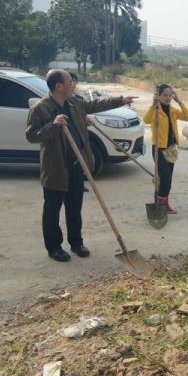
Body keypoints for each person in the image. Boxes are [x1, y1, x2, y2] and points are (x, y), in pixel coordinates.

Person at [26, 69, 137, 262]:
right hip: (55, 168)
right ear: (59, 86)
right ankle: (54, 247)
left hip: (77, 164)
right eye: (70, 81)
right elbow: (31, 136)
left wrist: (121, 100)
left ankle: (76, 243)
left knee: (74, 206)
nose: (73, 84)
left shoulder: (74, 103)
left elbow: (95, 105)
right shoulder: (40, 109)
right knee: (52, 209)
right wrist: (53, 125)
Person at [143, 84, 188, 214]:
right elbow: (146, 120)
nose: (168, 98)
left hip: (171, 149)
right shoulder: (155, 110)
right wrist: (153, 105)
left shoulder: (173, 110)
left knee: (166, 179)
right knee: (165, 179)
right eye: (165, 95)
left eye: (170, 95)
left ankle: (164, 203)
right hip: (158, 149)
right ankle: (160, 203)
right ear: (158, 96)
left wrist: (179, 101)